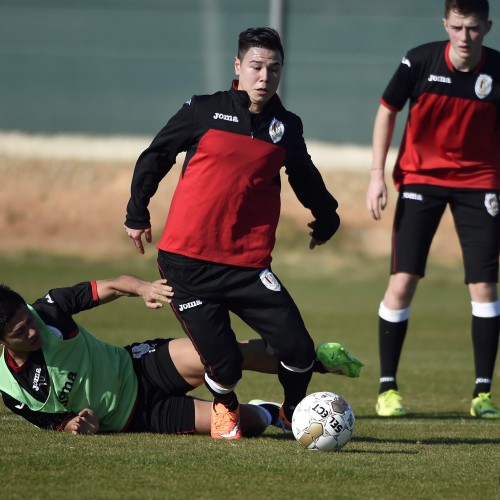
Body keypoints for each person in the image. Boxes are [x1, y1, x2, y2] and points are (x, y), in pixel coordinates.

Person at [124, 27, 343, 439]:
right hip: (187, 263)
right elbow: (156, 156)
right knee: (223, 362)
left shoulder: (286, 126)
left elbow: (305, 176)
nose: (265, 77)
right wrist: (137, 211)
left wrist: (327, 216)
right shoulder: (203, 110)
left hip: (247, 265)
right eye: (256, 67)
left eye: (274, 69)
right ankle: (225, 404)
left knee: (297, 350)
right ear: (238, 66)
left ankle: (293, 412)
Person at [0, 275, 362, 436]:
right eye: (19, 332)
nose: (31, 330)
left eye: (27, 319)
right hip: (142, 416)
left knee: (219, 354)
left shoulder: (49, 310)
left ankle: (310, 360)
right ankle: (271, 413)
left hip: (142, 364)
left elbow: (108, 286)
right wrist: (76, 426)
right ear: (3, 342)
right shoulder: (12, 392)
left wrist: (142, 288)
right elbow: (53, 422)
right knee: (245, 424)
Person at [366, 0, 500, 419]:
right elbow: (387, 111)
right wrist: (376, 175)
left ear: (488, 27)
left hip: (481, 183)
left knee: (484, 287)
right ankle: (388, 389)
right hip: (421, 179)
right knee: (403, 281)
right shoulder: (419, 61)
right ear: (446, 24)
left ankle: (482, 395)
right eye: (457, 27)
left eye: (473, 29)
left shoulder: (497, 70)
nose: (464, 37)